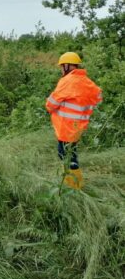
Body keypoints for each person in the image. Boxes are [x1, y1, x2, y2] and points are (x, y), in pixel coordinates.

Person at [45, 52, 101, 189]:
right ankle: (73, 184)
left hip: (66, 127)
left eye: (61, 66)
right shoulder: (87, 82)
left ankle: (74, 186)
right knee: (71, 155)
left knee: (67, 157)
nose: (60, 70)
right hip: (78, 127)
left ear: (67, 66)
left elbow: (51, 104)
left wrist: (51, 107)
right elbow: (98, 96)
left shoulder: (66, 81)